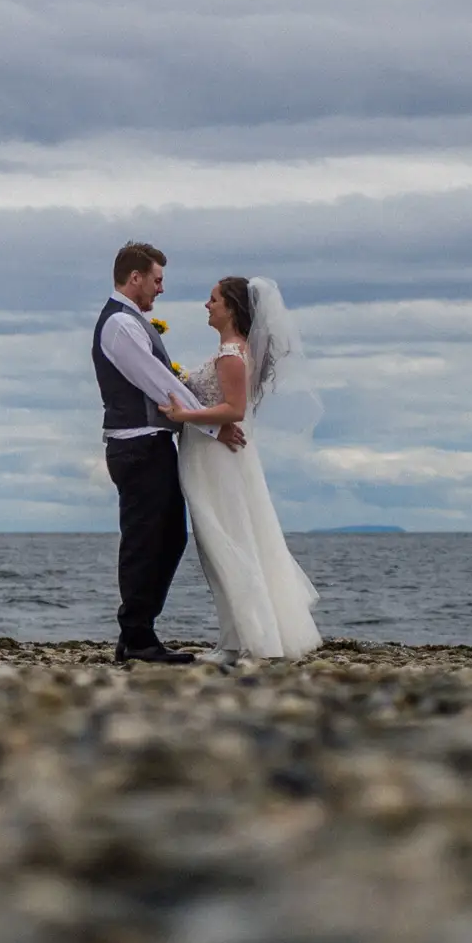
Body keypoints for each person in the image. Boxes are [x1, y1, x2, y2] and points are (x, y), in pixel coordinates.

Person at [90, 241, 244, 664]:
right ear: (135, 277)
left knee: (168, 536)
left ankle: (139, 631)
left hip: (149, 443)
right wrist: (215, 424)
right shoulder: (120, 326)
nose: (161, 288)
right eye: (157, 280)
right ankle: (136, 636)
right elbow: (159, 383)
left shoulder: (132, 322)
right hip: (136, 444)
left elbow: (165, 382)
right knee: (146, 539)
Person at [160, 276, 323, 661]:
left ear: (231, 308)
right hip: (212, 457)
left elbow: (233, 409)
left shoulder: (232, 354)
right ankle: (239, 637)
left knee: (228, 542)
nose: (207, 305)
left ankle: (244, 641)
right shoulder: (231, 351)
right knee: (224, 542)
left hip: (218, 461)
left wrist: (185, 413)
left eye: (213, 299)